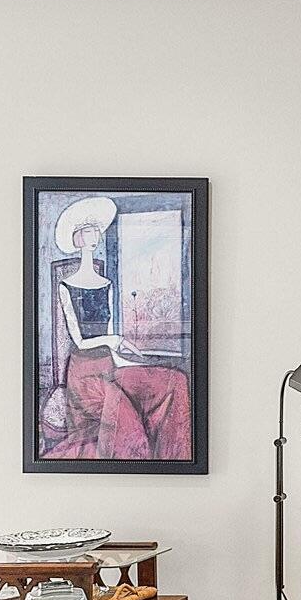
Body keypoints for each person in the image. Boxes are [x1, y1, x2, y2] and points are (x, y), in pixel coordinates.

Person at [44, 195, 192, 461]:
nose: (96, 234)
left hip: (109, 367)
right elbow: (79, 342)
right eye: (89, 229)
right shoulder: (65, 287)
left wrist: (125, 358)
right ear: (78, 238)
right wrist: (114, 340)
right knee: (124, 413)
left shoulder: (107, 284)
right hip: (85, 377)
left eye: (96, 229)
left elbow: (111, 337)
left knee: (175, 381)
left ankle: (175, 457)